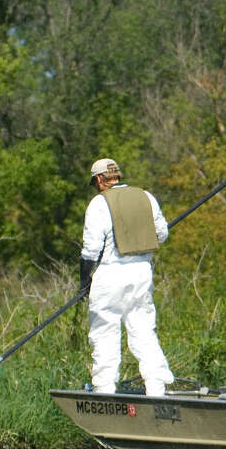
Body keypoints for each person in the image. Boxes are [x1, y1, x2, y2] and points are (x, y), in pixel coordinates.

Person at [80, 158, 174, 396]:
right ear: (117, 176)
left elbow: (90, 251)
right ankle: (156, 388)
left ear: (100, 180)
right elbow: (161, 235)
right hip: (141, 273)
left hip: (109, 274)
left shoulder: (99, 204)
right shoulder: (146, 197)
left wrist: (84, 283)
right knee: (143, 330)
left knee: (105, 332)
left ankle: (104, 390)